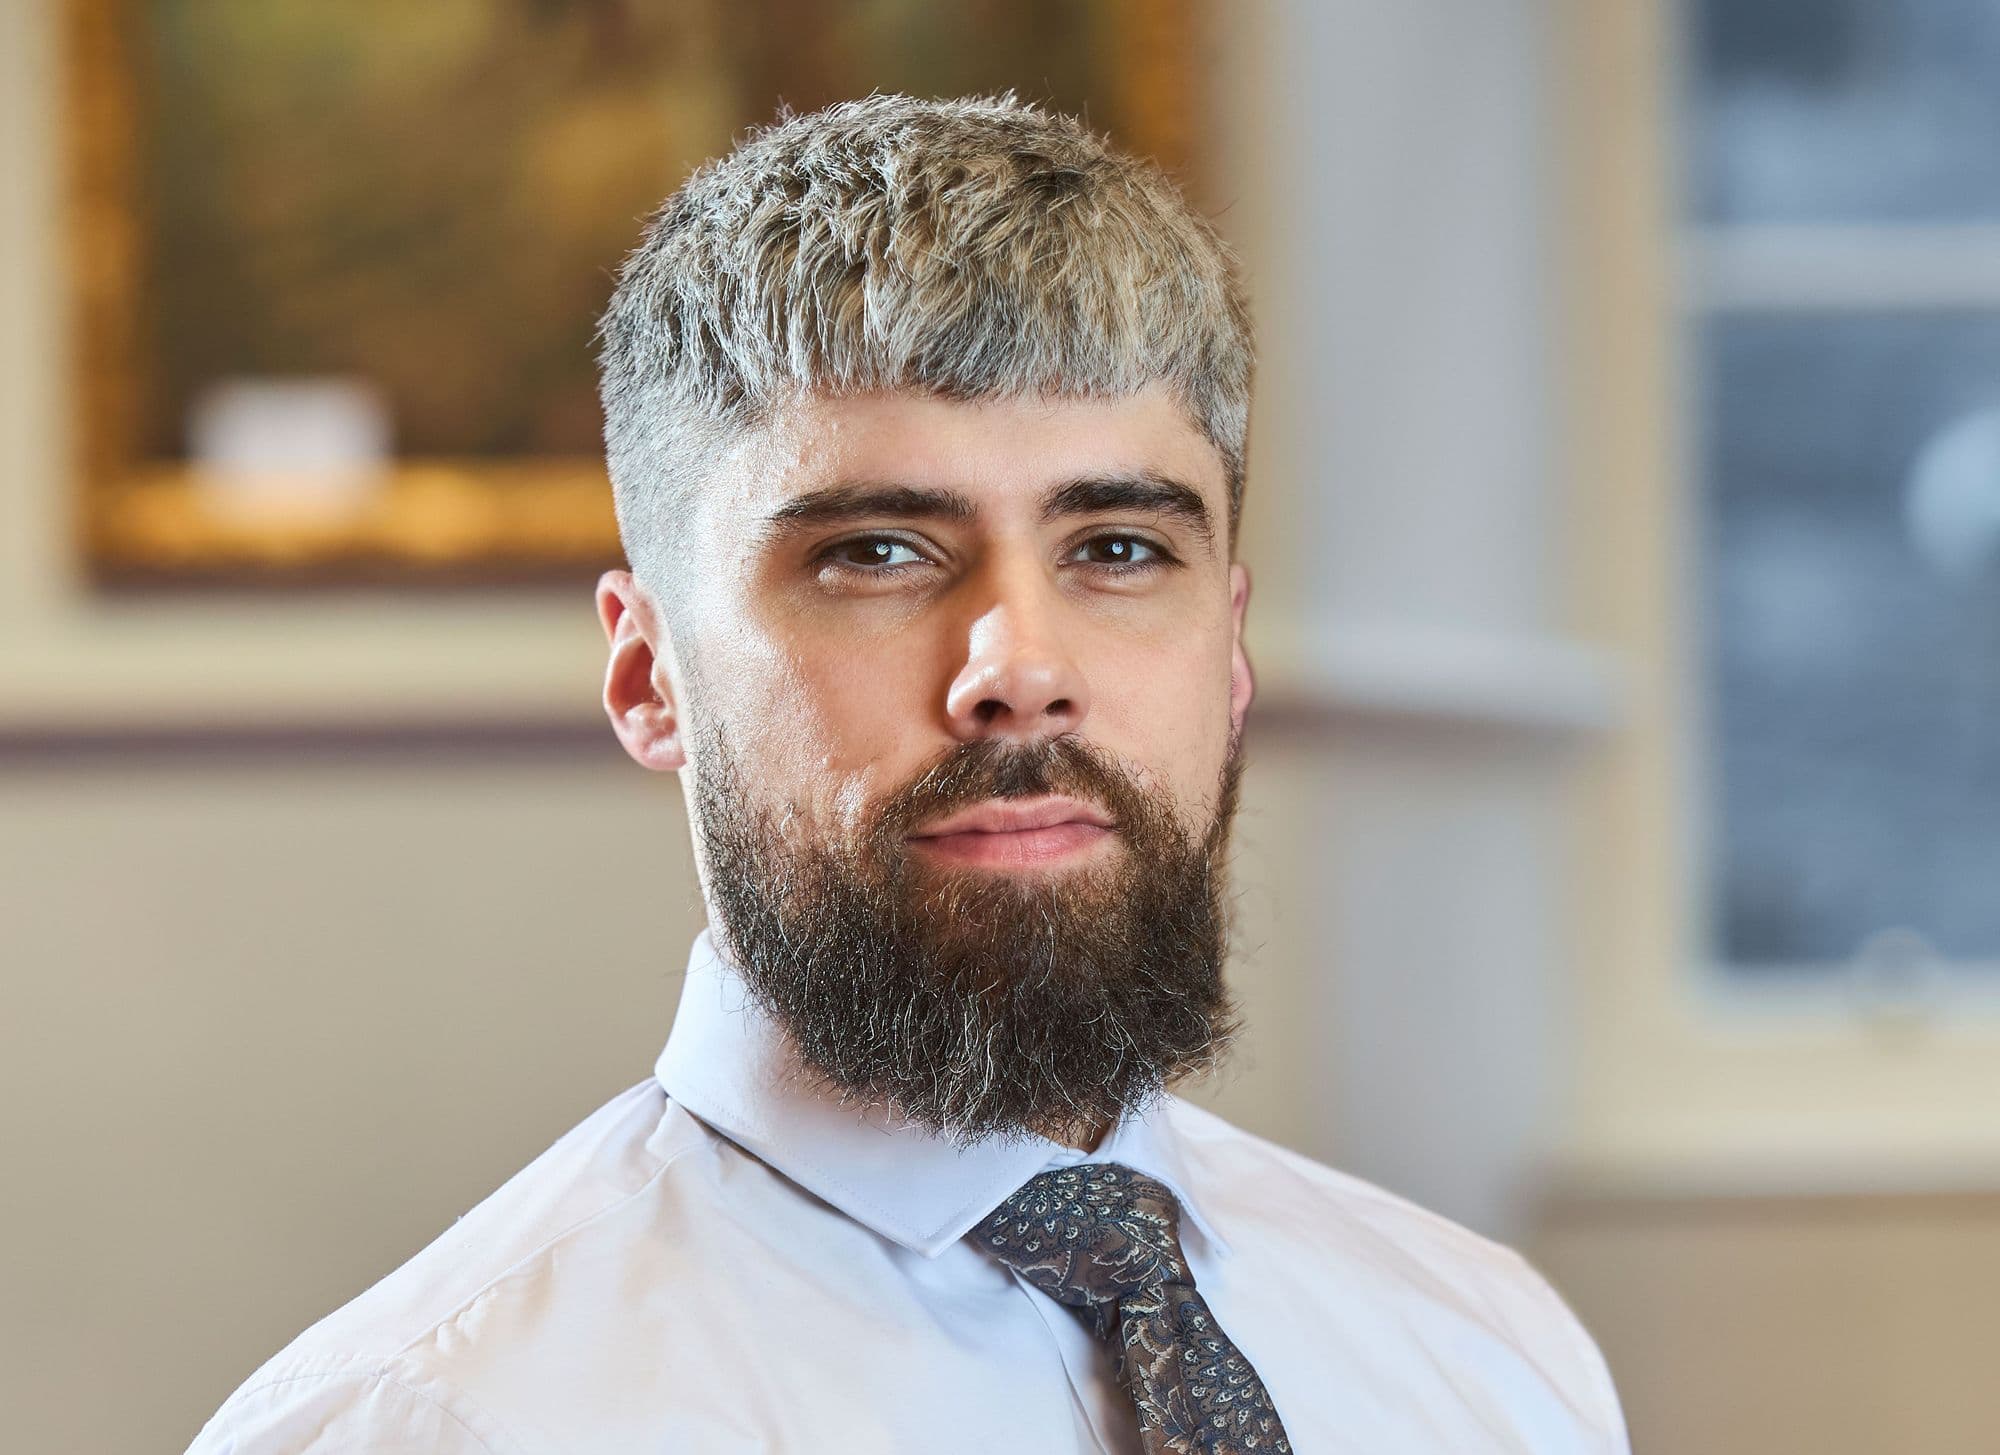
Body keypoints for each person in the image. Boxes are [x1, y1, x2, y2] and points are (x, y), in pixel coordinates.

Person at [188, 94, 1628, 1454]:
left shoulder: (1494, 1356)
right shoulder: (426, 1423)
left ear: (1231, 652)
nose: (1020, 667)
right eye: (875, 554)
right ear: (648, 677)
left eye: (1119, 549)